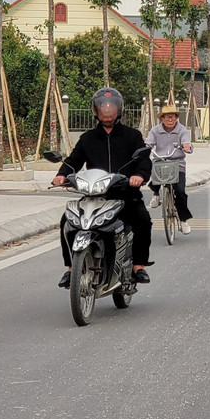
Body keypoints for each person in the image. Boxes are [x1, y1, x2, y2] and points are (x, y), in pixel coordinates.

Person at [52, 87, 154, 287]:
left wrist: (138, 176)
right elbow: (74, 160)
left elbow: (144, 160)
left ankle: (138, 266)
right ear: (96, 110)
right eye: (102, 107)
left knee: (143, 220)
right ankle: (71, 268)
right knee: (68, 221)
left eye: (111, 107)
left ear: (119, 109)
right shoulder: (87, 138)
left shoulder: (132, 136)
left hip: (125, 194)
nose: (107, 111)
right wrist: (62, 174)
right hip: (94, 195)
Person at [145, 103, 194, 234]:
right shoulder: (155, 130)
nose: (170, 120)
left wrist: (186, 146)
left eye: (172, 117)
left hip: (177, 164)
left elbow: (186, 142)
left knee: (180, 191)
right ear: (162, 119)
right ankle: (156, 194)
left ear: (176, 118)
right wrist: (144, 149)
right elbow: (148, 143)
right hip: (160, 162)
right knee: (148, 168)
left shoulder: (182, 130)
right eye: (167, 117)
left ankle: (183, 221)